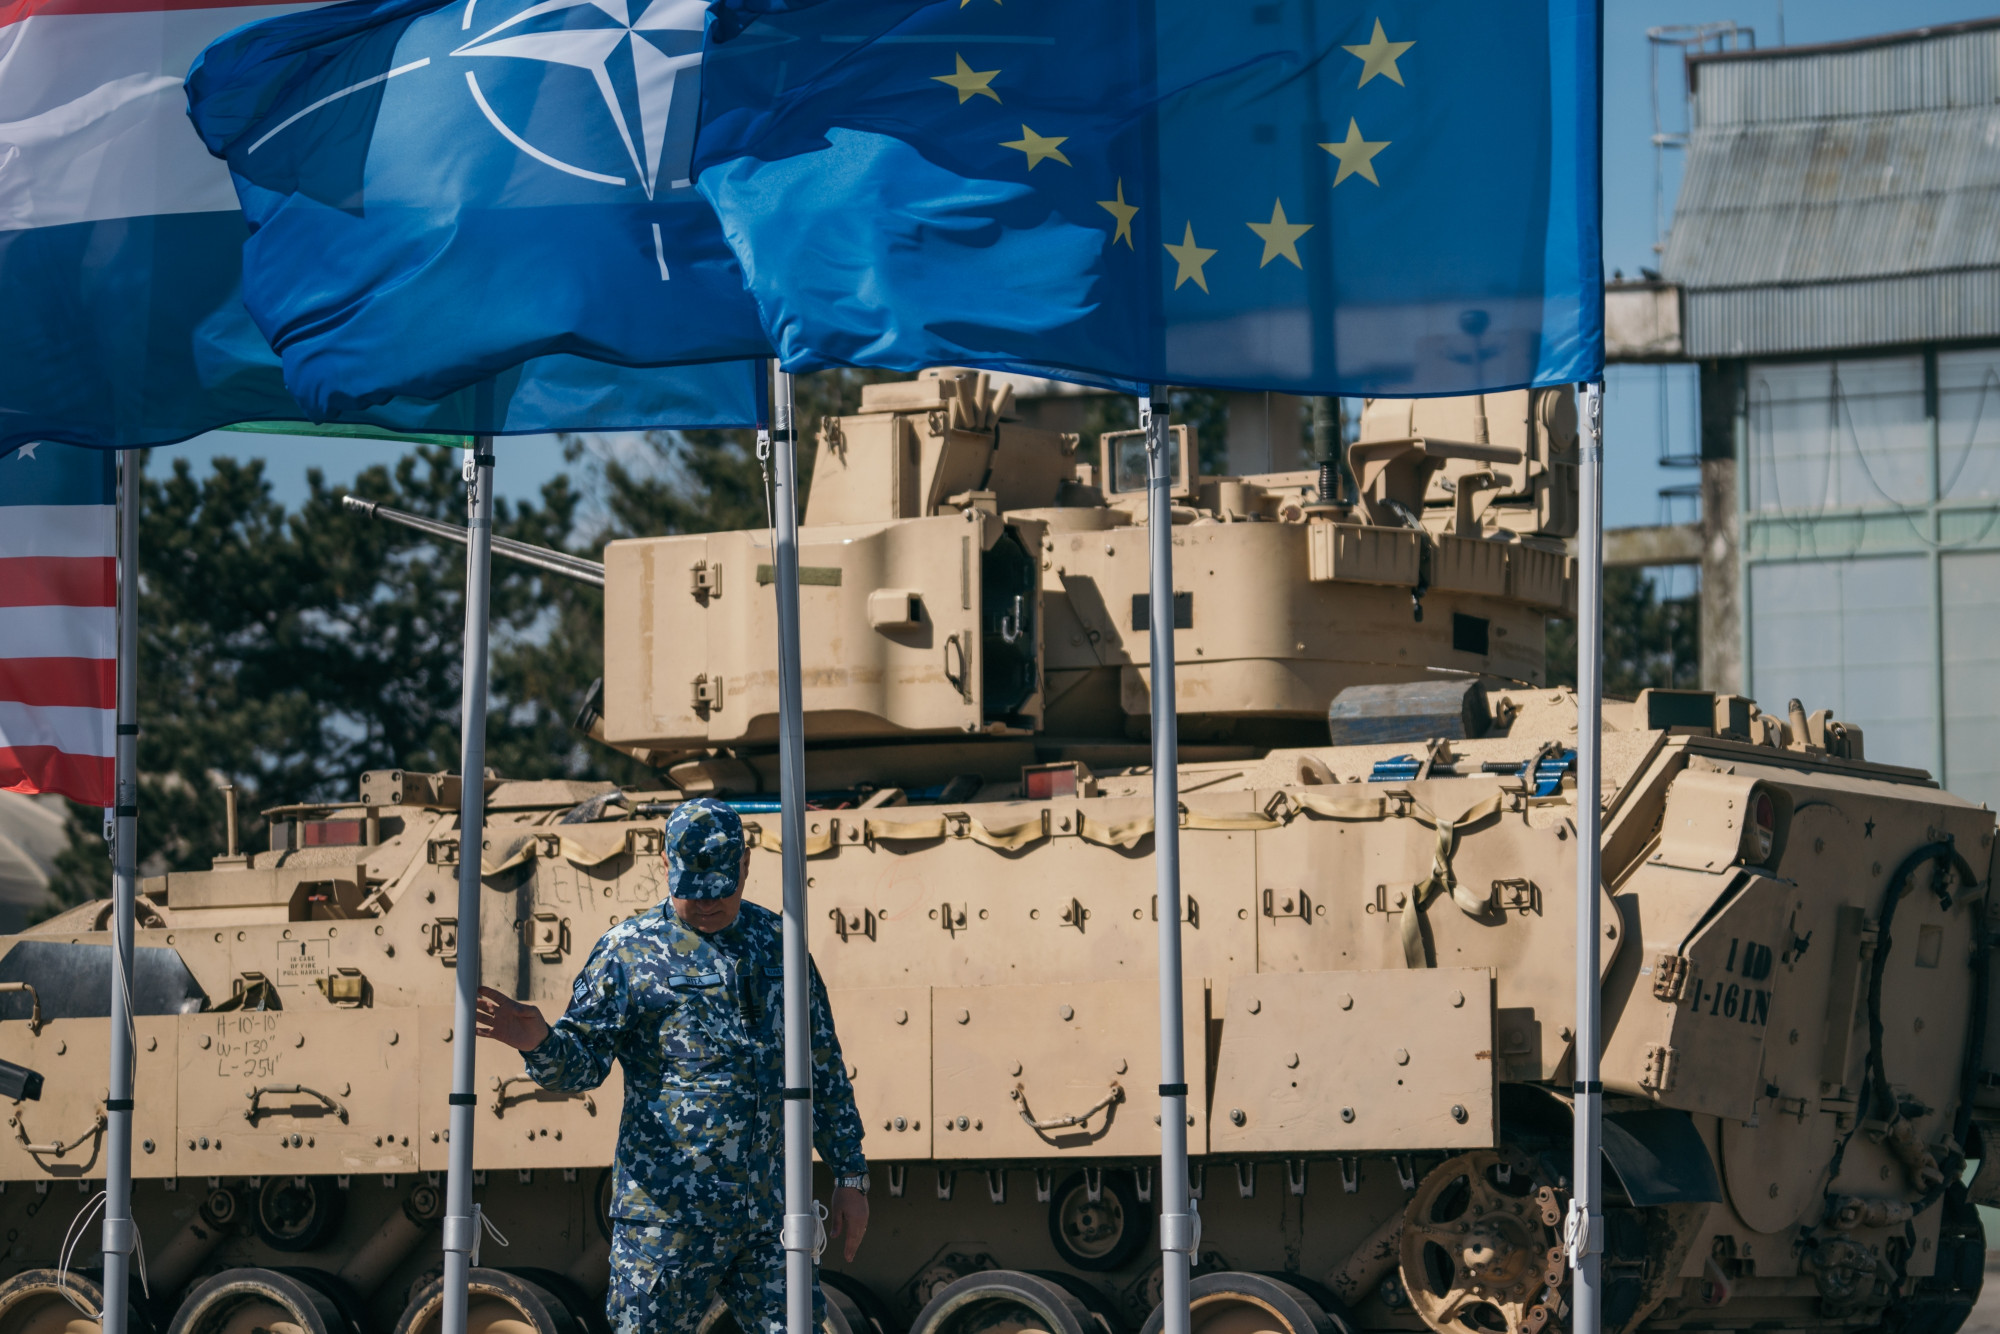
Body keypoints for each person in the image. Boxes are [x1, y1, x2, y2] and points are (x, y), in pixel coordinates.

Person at [477, 796, 870, 1334]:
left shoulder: (779, 944)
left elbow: (823, 1066)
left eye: (720, 890)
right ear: (665, 865)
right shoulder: (628, 953)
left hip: (769, 1218)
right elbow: (582, 1066)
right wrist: (540, 1042)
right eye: (691, 890)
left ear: (745, 865)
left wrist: (851, 1174)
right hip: (667, 1222)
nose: (707, 905)